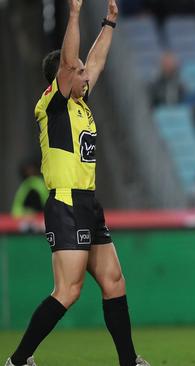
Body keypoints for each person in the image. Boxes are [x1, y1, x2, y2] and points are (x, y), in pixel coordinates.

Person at [4, 1, 149, 366]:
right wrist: (72, 15)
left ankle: (129, 361)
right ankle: (19, 360)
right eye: (79, 72)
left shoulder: (81, 105)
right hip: (66, 203)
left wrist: (109, 23)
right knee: (68, 291)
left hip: (87, 203)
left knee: (114, 282)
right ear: (63, 78)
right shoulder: (52, 105)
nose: (87, 75)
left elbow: (95, 61)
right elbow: (73, 63)